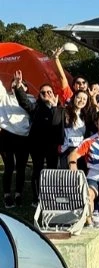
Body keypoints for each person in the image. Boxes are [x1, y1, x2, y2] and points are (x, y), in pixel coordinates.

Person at [13, 72, 64, 206]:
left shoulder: (59, 109)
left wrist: (54, 107)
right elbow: (24, 102)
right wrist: (18, 86)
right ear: (39, 95)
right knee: (38, 171)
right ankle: (36, 198)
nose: (46, 94)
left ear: (53, 93)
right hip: (37, 145)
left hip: (52, 145)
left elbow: (57, 124)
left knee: (52, 170)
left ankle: (50, 196)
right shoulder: (35, 107)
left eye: (49, 92)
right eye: (43, 92)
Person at [0, 76, 31, 208]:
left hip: (24, 137)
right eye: (14, 85)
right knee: (9, 167)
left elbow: (33, 110)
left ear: (26, 88)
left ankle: (18, 194)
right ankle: (7, 195)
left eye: (20, 84)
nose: (16, 87)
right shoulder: (4, 98)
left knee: (21, 167)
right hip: (7, 135)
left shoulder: (31, 99)